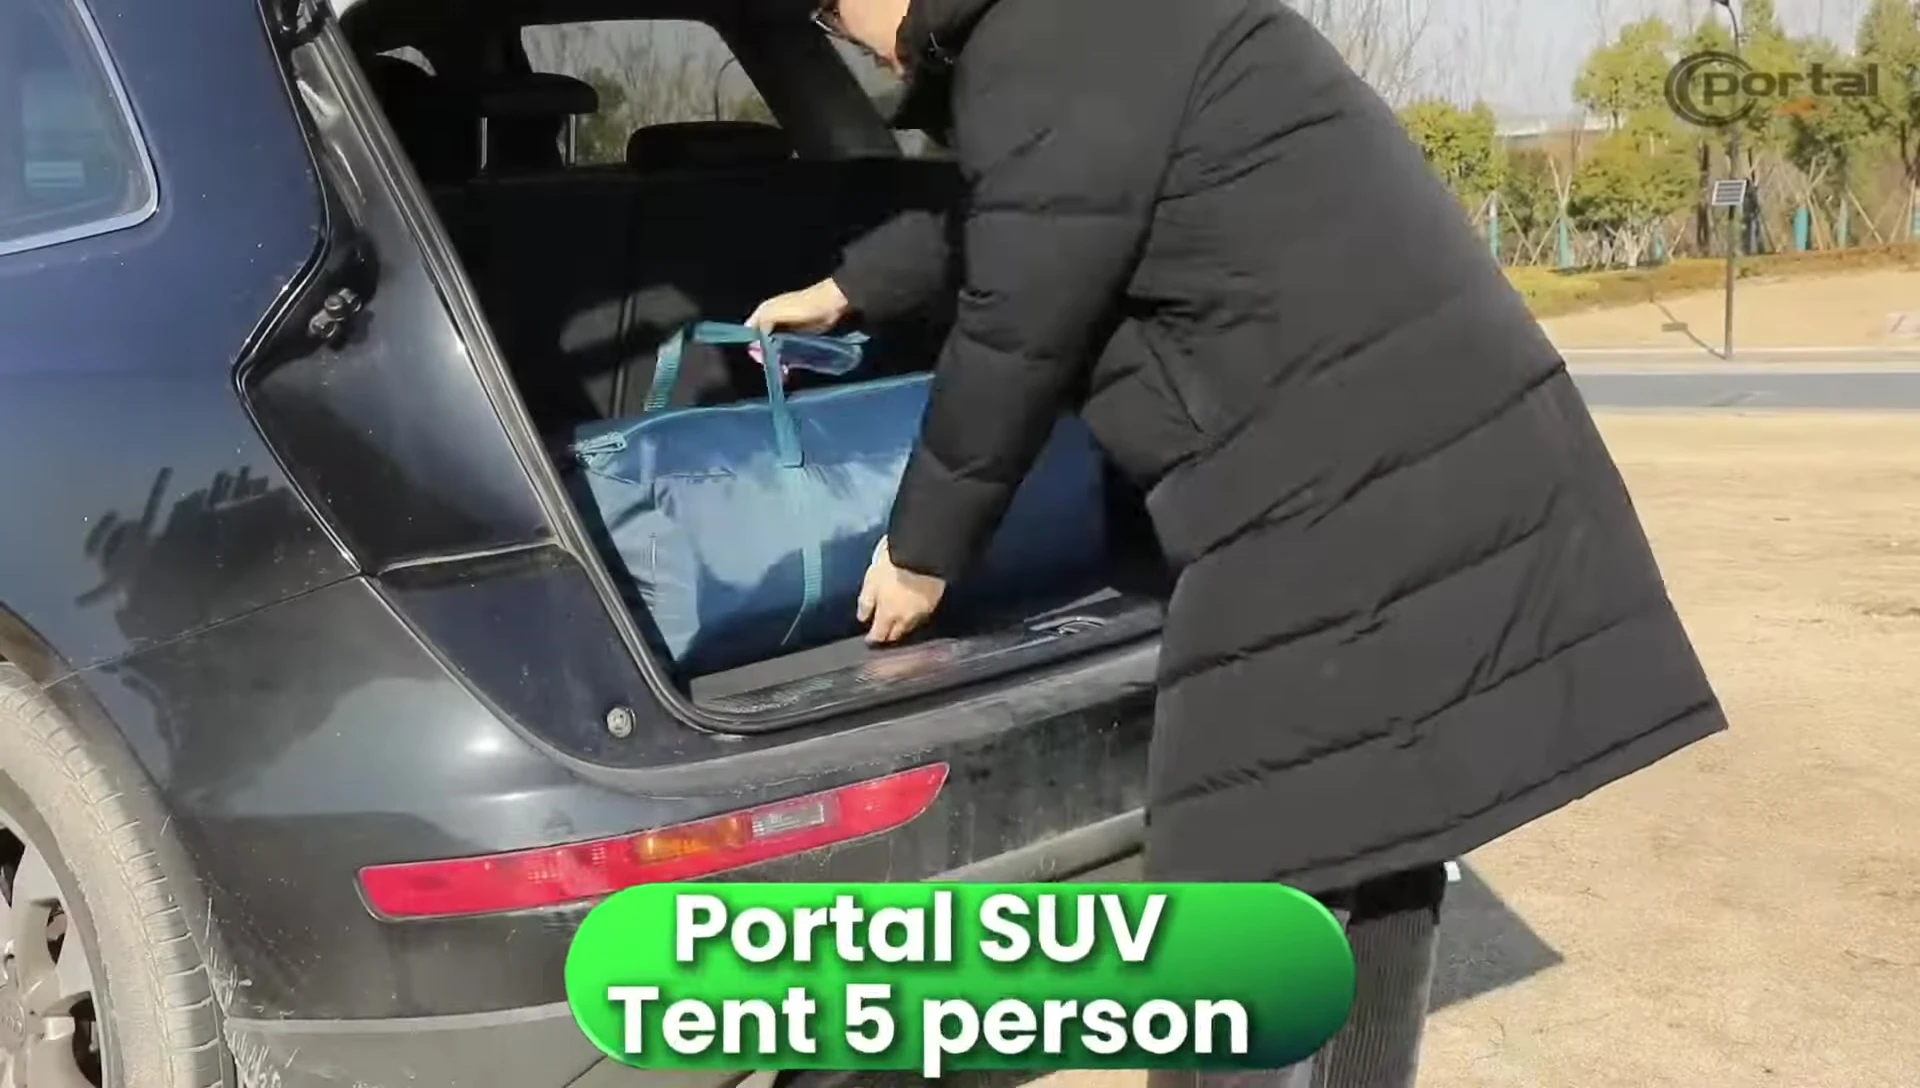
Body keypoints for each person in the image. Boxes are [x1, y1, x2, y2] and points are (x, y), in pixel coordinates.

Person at [747, 0, 1728, 1082]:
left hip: (1331, 484)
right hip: (1396, 442)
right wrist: (852, 288)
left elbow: (1017, 317)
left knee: (1235, 892)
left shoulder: (1046, 44)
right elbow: (1029, 205)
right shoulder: (1082, 28)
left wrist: (922, 547)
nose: (841, 32)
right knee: (1378, 828)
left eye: (830, 12)